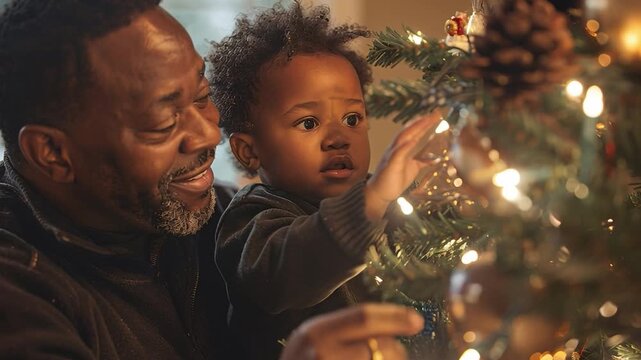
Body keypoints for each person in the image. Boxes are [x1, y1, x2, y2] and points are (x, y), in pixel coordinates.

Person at [0, 0, 424, 359]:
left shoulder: (214, 211)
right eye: (163, 122)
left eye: (202, 97)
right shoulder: (18, 291)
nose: (208, 134)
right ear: (53, 153)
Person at [208, 2, 439, 359]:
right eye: (308, 123)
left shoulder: (384, 201)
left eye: (351, 118)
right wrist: (374, 201)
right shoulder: (252, 219)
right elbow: (288, 271)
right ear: (248, 152)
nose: (338, 138)